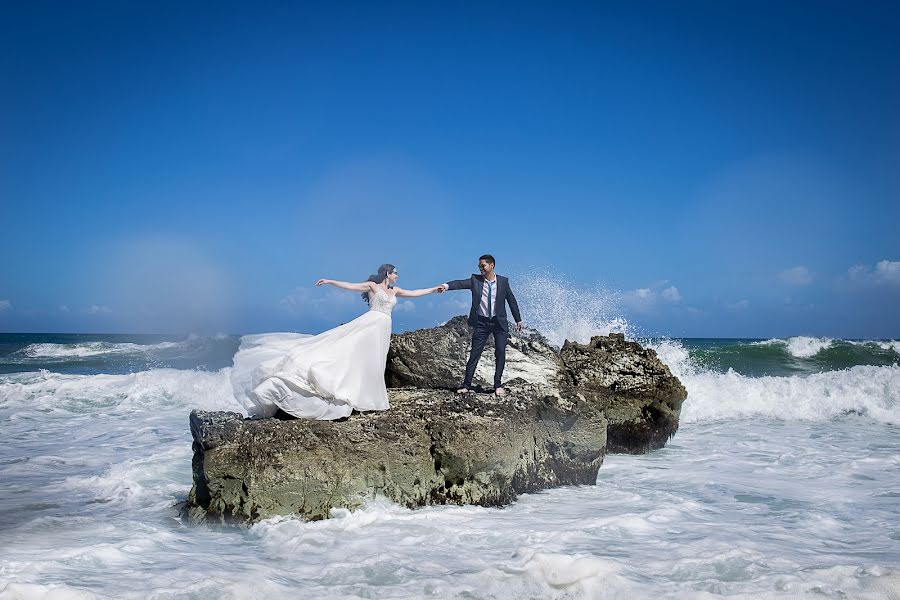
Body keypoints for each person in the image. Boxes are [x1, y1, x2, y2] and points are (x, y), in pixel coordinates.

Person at [231, 264, 443, 420]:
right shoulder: (372, 286)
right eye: (395, 272)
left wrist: (434, 289)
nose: (397, 276)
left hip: (383, 328)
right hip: (369, 325)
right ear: (387, 273)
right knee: (350, 355)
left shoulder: (395, 291)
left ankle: (370, 398)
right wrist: (331, 281)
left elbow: (415, 293)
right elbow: (350, 286)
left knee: (373, 363)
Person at [441, 254, 523, 397]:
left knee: (500, 353)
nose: (480, 269)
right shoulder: (475, 280)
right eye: (479, 266)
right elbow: (460, 284)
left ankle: (497, 385)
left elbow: (511, 301)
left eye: (483, 266)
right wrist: (446, 286)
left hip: (499, 323)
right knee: (475, 354)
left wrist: (518, 320)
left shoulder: (503, 282)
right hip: (482, 323)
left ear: (491, 266)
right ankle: (466, 385)